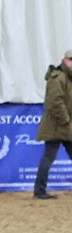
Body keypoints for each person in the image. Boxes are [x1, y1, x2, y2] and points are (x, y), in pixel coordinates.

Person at [33, 49, 72, 199]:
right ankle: (39, 191)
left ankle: (39, 190)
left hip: (64, 126)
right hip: (56, 126)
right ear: (66, 60)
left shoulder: (67, 78)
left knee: (48, 158)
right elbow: (54, 103)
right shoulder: (58, 78)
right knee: (48, 158)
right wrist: (66, 121)